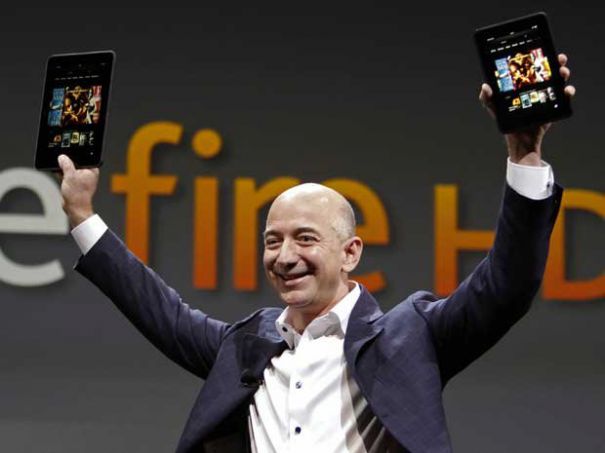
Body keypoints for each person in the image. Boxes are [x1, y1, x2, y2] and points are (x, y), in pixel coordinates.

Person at [58, 55, 575, 453]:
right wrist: (81, 212)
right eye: (272, 241)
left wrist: (523, 155)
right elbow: (154, 306)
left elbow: (506, 285)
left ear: (350, 253)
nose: (285, 257)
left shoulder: (411, 337)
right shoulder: (243, 348)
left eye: (305, 239)